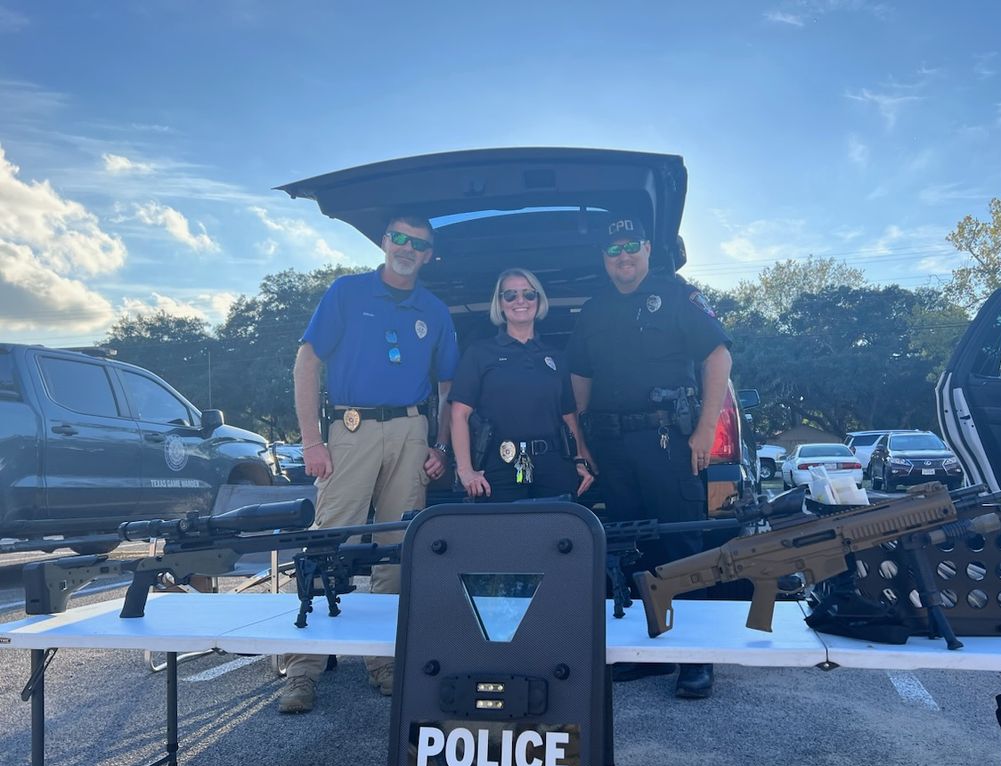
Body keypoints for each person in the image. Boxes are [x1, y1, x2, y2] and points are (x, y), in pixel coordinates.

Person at [279, 213, 459, 714]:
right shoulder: (346, 292)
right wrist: (312, 442)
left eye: (417, 243)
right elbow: (308, 363)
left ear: (428, 255)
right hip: (350, 429)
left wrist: (439, 447)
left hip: (410, 430)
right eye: (398, 238)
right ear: (385, 243)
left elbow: (446, 389)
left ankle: (385, 662)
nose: (406, 248)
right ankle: (302, 670)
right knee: (327, 539)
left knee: (398, 548)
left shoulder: (435, 310)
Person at [567, 215, 732, 700]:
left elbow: (718, 356)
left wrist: (704, 430)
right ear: (604, 257)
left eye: (631, 247)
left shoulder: (678, 295)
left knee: (681, 548)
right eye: (613, 249)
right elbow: (580, 375)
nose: (623, 256)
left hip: (668, 443)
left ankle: (695, 658)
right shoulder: (593, 310)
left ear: (646, 250)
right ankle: (654, 651)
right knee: (631, 548)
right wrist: (580, 441)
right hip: (613, 447)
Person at [450, 268, 595, 501]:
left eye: (529, 294)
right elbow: (459, 415)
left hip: (554, 464)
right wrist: (465, 470)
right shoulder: (479, 353)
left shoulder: (555, 357)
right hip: (499, 466)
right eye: (510, 295)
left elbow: (569, 417)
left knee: (556, 533)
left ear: (538, 301)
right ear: (500, 303)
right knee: (505, 535)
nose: (521, 301)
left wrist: (578, 459)